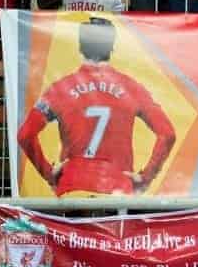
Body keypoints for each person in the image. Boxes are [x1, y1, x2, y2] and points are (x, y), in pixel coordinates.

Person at [18, 17, 176, 196]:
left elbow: (25, 135)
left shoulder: (60, 88)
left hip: (72, 187)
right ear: (112, 47)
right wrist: (146, 178)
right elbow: (168, 134)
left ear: (80, 47)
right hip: (117, 190)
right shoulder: (132, 87)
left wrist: (49, 173)